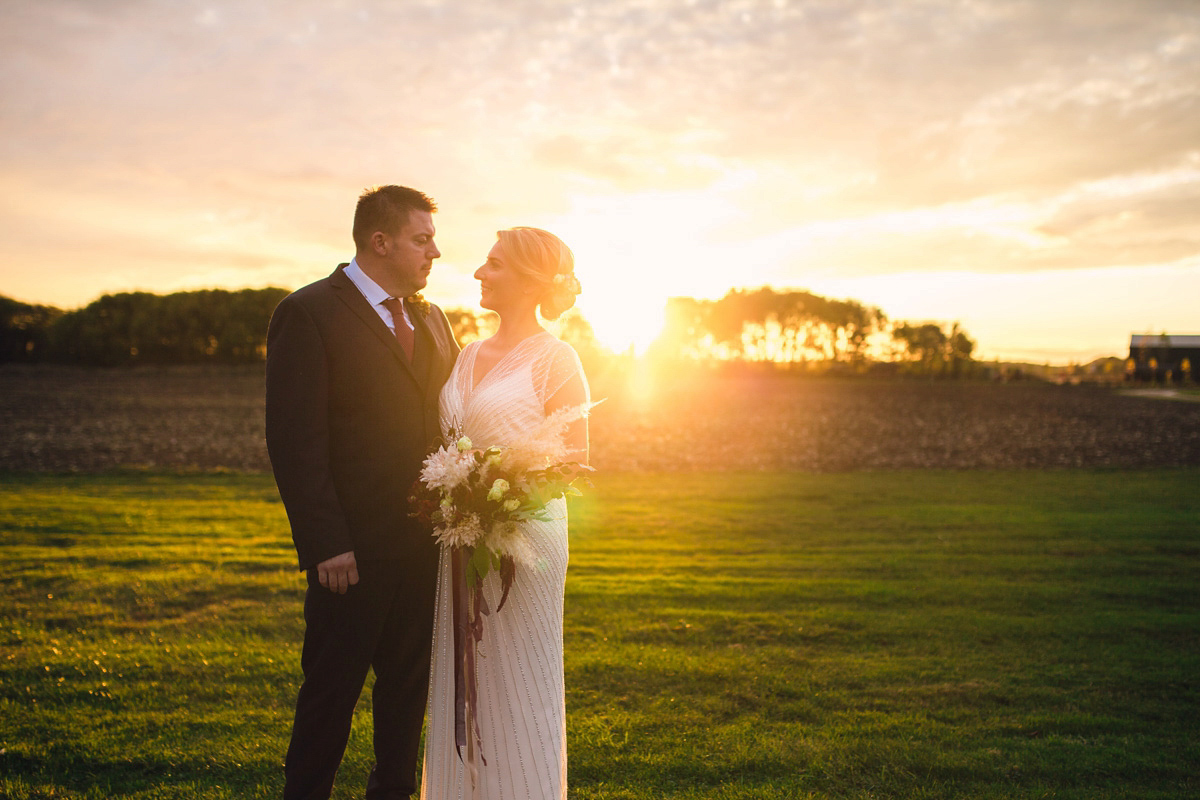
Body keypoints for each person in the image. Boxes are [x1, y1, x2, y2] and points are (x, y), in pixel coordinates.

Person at [265, 185, 460, 799]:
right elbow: (296, 442)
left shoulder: (432, 317)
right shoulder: (310, 312)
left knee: (406, 699)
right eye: (422, 239)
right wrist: (327, 543)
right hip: (350, 555)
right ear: (380, 241)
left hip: (425, 548)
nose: (435, 252)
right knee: (330, 695)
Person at [421, 227, 590, 800]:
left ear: (527, 279)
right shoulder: (466, 353)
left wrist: (497, 493)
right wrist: (457, 494)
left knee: (519, 678)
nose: (478, 274)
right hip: (459, 539)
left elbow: (574, 462)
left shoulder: (557, 359)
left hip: (524, 544)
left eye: (492, 265)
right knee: (463, 677)